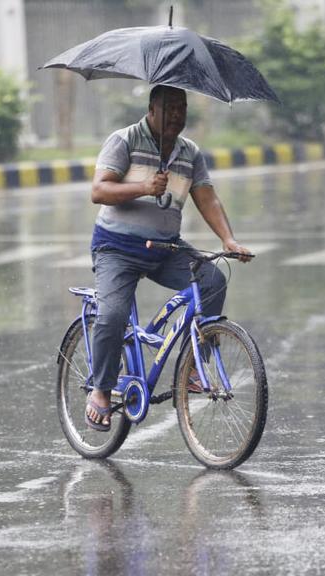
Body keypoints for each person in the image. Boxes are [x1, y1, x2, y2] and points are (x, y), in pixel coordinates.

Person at [84, 85, 253, 431]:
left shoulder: (189, 153)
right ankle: (100, 390)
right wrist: (144, 188)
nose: (177, 115)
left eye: (182, 107)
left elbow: (208, 198)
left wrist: (228, 239)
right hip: (117, 248)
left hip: (165, 247)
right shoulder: (125, 140)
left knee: (212, 280)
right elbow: (99, 191)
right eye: (170, 107)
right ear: (151, 109)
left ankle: (192, 370)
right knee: (113, 314)